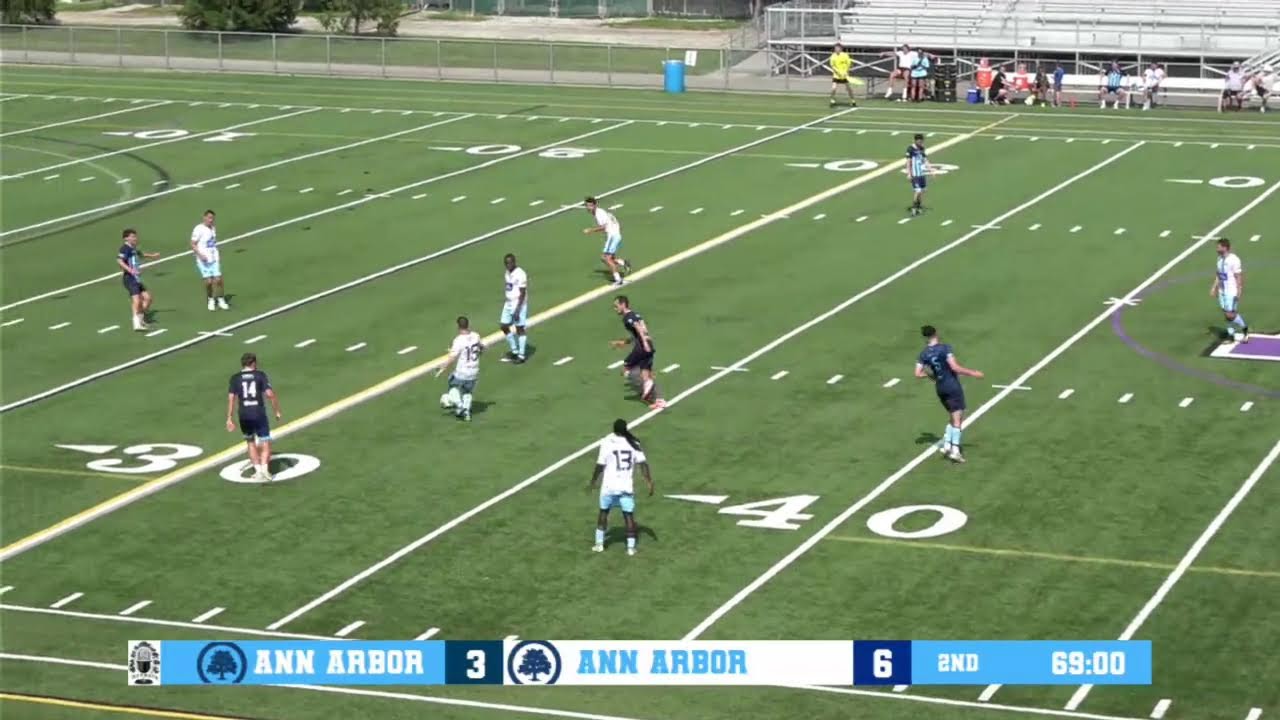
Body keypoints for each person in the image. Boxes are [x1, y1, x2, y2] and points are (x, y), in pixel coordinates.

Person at [915, 325, 984, 463]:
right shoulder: (945, 348)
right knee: (958, 418)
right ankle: (955, 450)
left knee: (953, 414)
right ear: (936, 333)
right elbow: (954, 367)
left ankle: (947, 444)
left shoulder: (923, 354)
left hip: (940, 387)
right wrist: (973, 373)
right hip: (952, 385)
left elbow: (918, 373)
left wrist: (931, 377)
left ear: (925, 337)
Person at [588, 418, 655, 556]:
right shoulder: (634, 443)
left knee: (604, 513)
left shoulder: (607, 442)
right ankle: (630, 548)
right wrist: (649, 481)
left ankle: (599, 544)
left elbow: (600, 465)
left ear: (614, 429)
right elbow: (643, 464)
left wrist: (593, 481)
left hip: (609, 486)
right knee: (628, 516)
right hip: (625, 487)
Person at [225, 352, 282, 482]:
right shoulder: (260, 375)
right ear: (253, 363)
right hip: (258, 412)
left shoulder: (235, 378)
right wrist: (277, 411)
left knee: (250, 442)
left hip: (244, 414)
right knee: (265, 441)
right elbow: (270, 394)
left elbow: (231, 399)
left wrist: (229, 418)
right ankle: (265, 470)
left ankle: (257, 472)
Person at [610, 295, 665, 410]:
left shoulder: (627, 317)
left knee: (627, 368)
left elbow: (639, 329)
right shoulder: (635, 314)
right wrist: (624, 342)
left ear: (623, 304)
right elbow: (643, 329)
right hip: (648, 344)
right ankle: (659, 400)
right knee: (646, 372)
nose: (615, 309)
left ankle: (646, 386)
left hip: (643, 346)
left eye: (616, 306)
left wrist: (644, 343)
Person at [437, 315, 483, 421]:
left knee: (452, 386)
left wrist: (443, 366)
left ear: (458, 326)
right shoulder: (476, 335)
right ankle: (466, 412)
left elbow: (452, 357)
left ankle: (460, 406)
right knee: (467, 391)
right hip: (474, 370)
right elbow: (480, 347)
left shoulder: (458, 340)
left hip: (462, 371)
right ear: (468, 325)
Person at [116, 228, 160, 332]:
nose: (135, 238)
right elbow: (119, 260)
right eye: (132, 236)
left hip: (136, 278)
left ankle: (140, 318)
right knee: (137, 300)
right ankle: (136, 323)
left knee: (148, 298)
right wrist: (130, 270)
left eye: (135, 236)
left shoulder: (133, 248)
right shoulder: (124, 248)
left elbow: (141, 254)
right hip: (129, 278)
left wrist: (153, 256)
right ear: (126, 238)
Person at [583, 197, 630, 286]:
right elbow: (613, 220)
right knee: (608, 258)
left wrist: (590, 230)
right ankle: (623, 263)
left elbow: (603, 227)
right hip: (613, 235)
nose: (588, 208)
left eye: (590, 206)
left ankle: (618, 279)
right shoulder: (600, 212)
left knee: (606, 258)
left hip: (613, 236)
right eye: (587, 206)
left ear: (595, 205)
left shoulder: (599, 214)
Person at [1211, 238, 1248, 342]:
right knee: (1226, 313)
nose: (1216, 249)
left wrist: (1239, 289)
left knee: (1230, 314)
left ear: (1224, 247)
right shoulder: (1219, 259)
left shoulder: (1234, 260)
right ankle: (1231, 336)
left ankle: (1245, 329)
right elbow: (1219, 274)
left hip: (1231, 290)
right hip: (1222, 291)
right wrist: (1214, 287)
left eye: (1218, 247)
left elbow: (1238, 276)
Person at [191, 209, 229, 311]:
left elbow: (212, 243)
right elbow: (193, 244)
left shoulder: (213, 228)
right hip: (203, 260)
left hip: (213, 259)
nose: (211, 220)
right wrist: (200, 255)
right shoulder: (198, 229)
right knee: (208, 282)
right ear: (204, 217)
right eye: (209, 218)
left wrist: (216, 253)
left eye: (212, 218)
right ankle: (211, 299)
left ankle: (221, 299)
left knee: (218, 279)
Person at [499, 253, 529, 363]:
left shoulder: (520, 274)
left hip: (518, 303)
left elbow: (522, 293)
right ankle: (514, 350)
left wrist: (517, 310)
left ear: (514, 262)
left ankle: (521, 355)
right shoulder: (507, 273)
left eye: (510, 262)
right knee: (503, 326)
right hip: (509, 303)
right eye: (506, 263)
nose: (508, 265)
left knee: (519, 329)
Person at [906, 133, 929, 216]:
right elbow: (908, 162)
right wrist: (909, 173)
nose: (920, 143)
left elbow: (925, 159)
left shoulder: (922, 148)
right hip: (915, 174)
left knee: (922, 190)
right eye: (919, 141)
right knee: (917, 190)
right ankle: (914, 207)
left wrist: (931, 169)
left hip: (921, 173)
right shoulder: (910, 149)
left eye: (921, 141)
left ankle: (919, 206)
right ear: (915, 141)